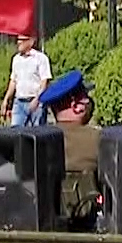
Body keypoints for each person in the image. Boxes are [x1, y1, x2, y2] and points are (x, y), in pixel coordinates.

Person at [40, 69, 101, 229]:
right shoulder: (99, 140)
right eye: (86, 97)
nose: (89, 102)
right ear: (76, 106)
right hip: (90, 226)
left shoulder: (37, 143)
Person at [2, 33, 53, 127]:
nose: (18, 43)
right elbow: (13, 81)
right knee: (16, 132)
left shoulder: (41, 58)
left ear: (31, 41)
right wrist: (6, 100)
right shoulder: (16, 59)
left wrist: (37, 100)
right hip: (19, 103)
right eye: (17, 40)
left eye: (21, 40)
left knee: (36, 134)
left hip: (35, 102)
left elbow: (44, 82)